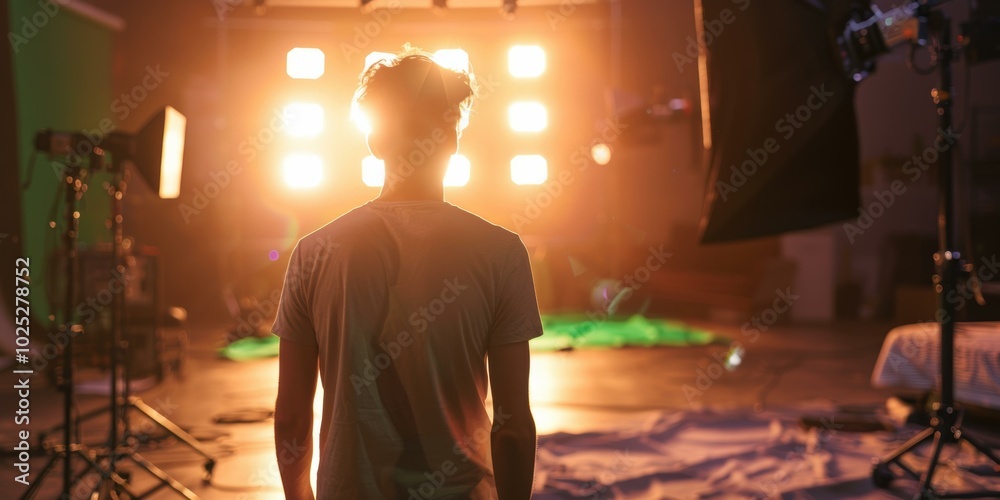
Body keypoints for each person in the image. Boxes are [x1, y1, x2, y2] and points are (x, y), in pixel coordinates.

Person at [272, 46, 543, 499]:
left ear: (374, 141)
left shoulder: (313, 252)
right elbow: (513, 427)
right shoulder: (501, 252)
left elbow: (292, 420)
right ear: (453, 137)